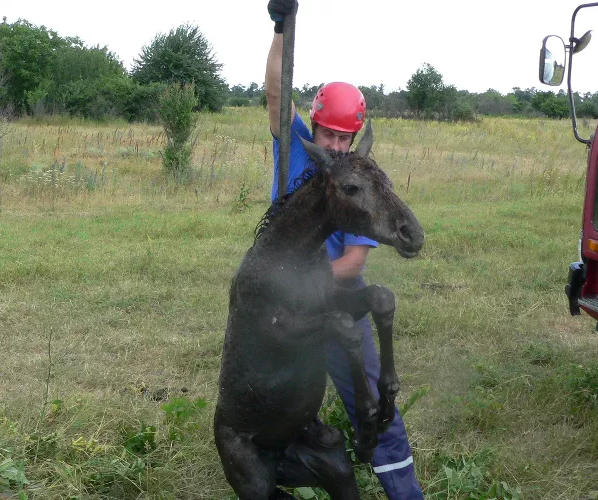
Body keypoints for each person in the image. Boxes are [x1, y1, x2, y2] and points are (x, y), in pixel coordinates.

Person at [264, 1, 424, 498]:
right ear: (313, 128)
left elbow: (354, 261)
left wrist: (300, 281)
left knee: (372, 398)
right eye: (327, 133)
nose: (334, 145)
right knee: (272, 396)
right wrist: (280, 25)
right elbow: (275, 90)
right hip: (279, 301)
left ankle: (403, 489)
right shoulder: (293, 148)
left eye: (343, 136)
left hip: (333, 298)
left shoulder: (359, 183)